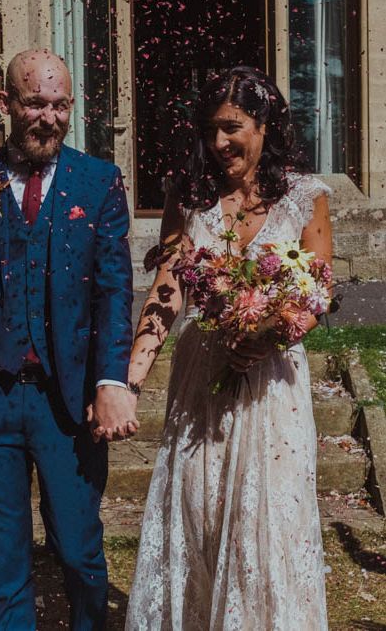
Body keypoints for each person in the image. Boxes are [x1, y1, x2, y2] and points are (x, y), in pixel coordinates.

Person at [0, 49, 139, 629]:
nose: (48, 117)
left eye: (59, 104)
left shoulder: (99, 182)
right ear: (7, 105)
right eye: (35, 103)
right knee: (4, 564)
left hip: (67, 403)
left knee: (79, 552)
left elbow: (113, 292)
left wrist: (109, 381)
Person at [125, 66, 332, 629]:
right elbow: (167, 290)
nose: (218, 143)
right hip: (202, 379)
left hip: (273, 391)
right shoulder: (189, 196)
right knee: (199, 511)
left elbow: (315, 294)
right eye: (210, 129)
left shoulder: (305, 199)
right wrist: (132, 381)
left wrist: (271, 334)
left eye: (232, 127)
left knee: (267, 524)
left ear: (265, 125)